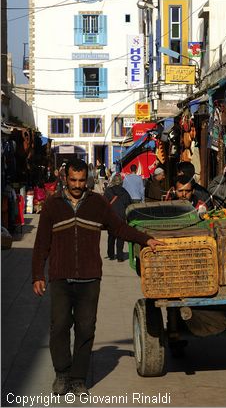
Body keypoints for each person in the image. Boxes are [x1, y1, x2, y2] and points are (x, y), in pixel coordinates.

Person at [32, 158, 163, 396]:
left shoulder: (97, 203)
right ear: (65, 178)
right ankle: (62, 374)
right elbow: (42, 242)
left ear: (87, 180)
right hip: (60, 277)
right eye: (73, 180)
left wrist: (145, 239)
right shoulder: (52, 205)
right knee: (59, 326)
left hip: (90, 278)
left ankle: (78, 378)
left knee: (86, 328)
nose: (77, 185)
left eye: (82, 180)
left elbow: (118, 228)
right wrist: (37, 275)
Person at [103, 173, 132, 261]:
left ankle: (111, 255)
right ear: (121, 182)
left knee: (111, 236)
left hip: (111, 217)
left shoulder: (108, 191)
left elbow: (103, 204)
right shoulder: (124, 192)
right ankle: (120, 256)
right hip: (121, 217)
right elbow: (129, 204)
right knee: (120, 237)